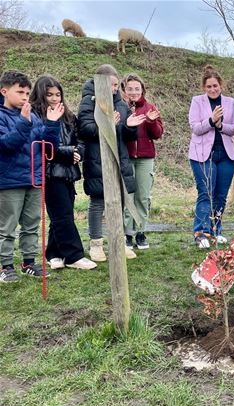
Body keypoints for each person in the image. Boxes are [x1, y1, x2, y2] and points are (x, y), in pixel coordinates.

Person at [78, 64, 146, 262]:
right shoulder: (88, 101)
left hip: (119, 158)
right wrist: (108, 125)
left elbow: (124, 133)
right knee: (98, 201)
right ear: (100, 82)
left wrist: (130, 128)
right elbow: (85, 128)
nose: (115, 88)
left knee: (120, 201)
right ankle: (96, 244)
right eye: (112, 84)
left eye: (117, 84)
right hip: (97, 158)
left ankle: (119, 242)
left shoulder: (121, 103)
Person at [0, 70, 63, 282]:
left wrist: (52, 125)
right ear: (4, 91)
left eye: (27, 93)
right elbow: (7, 145)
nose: (25, 97)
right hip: (9, 182)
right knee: (7, 226)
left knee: (32, 224)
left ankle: (28, 262)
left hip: (35, 180)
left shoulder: (34, 117)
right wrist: (23, 122)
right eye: (20, 92)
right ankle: (5, 266)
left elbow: (48, 148)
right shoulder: (3, 116)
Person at [29, 75, 97, 270]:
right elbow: (44, 146)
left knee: (62, 213)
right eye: (49, 94)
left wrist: (78, 153)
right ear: (40, 94)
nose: (54, 98)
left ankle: (54, 253)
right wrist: (70, 153)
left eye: (58, 94)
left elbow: (80, 140)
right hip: (49, 173)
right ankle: (74, 255)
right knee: (62, 215)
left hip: (68, 171)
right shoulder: (34, 116)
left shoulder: (67, 115)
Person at [188, 65, 234, 248]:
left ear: (220, 85)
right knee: (206, 194)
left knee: (220, 196)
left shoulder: (230, 102)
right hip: (202, 155)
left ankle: (216, 230)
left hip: (226, 154)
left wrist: (220, 126)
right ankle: (200, 233)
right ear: (204, 88)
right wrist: (211, 121)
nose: (212, 89)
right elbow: (195, 127)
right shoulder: (197, 101)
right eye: (209, 86)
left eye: (215, 85)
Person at [121, 74, 164, 250]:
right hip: (127, 158)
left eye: (137, 89)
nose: (133, 92)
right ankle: (127, 234)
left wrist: (152, 122)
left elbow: (158, 134)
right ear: (124, 91)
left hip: (146, 159)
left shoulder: (150, 108)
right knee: (128, 197)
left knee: (143, 196)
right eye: (130, 89)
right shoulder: (121, 108)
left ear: (142, 90)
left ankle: (140, 231)